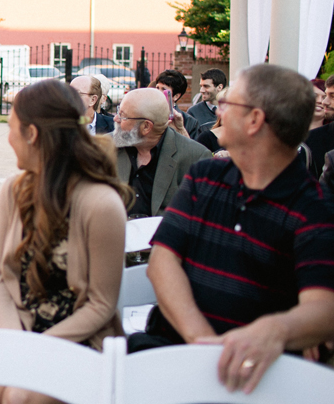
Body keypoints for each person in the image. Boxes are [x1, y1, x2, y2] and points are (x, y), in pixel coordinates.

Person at [133, 65, 334, 395]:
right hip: (172, 353)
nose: (219, 111)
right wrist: (203, 343)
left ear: (254, 120)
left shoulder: (313, 207)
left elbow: (323, 309)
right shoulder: (206, 176)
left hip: (258, 379)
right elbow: (162, 262)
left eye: (229, 104)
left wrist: (276, 329)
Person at [0, 80, 130, 404]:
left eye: (11, 127)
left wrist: (39, 349)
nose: (8, 137)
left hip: (80, 340)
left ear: (32, 135)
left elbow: (101, 304)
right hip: (20, 331)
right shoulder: (13, 190)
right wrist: (18, 342)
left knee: (22, 397)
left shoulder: (101, 204)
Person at [114, 88, 211, 216]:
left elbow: (202, 215)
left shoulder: (195, 157)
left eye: (123, 116)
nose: (116, 119)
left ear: (146, 127)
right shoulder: (103, 147)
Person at [154, 69, 199, 138]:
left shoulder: (189, 122)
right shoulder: (145, 114)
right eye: (157, 88)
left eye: (164, 89)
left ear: (176, 96)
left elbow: (193, 147)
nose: (158, 92)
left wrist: (181, 130)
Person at [185, 68, 226, 137]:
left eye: (206, 86)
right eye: (201, 86)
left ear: (219, 87)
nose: (201, 90)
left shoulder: (231, 110)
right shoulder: (193, 112)